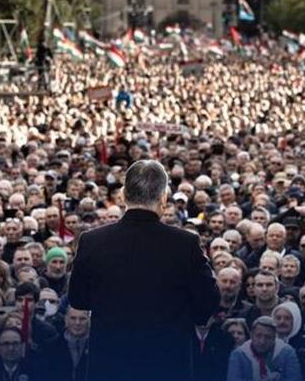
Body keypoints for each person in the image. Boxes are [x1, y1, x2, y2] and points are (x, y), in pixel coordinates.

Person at [68, 160, 220, 381]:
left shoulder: (93, 241)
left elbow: (79, 299)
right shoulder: (185, 243)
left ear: (123, 195)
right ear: (163, 198)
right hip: (167, 365)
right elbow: (208, 302)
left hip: (110, 364)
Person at [226, 316, 303, 381]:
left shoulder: (287, 353)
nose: (262, 341)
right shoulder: (239, 354)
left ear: (275, 338)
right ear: (251, 335)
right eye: (258, 335)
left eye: (268, 337)